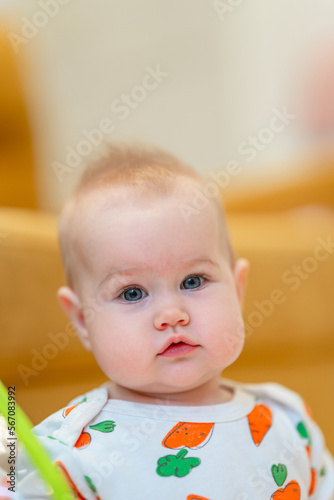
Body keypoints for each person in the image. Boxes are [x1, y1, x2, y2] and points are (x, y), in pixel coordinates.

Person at [9, 144, 334, 498]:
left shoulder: (288, 419)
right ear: (82, 320)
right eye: (132, 293)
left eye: (193, 281)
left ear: (238, 291)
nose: (171, 315)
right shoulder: (64, 453)